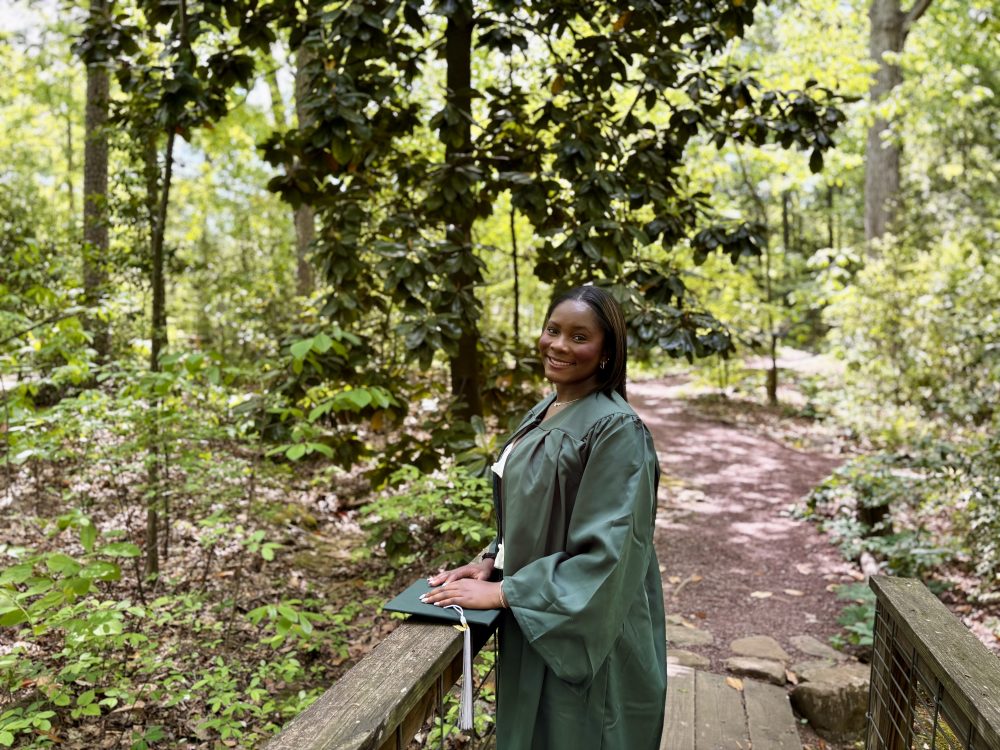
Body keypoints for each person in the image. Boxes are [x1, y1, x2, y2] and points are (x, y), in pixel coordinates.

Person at [421, 285, 667, 750]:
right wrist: (494, 558)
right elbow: (539, 508)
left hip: (589, 633)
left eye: (579, 337)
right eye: (553, 330)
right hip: (539, 617)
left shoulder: (616, 430)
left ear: (607, 352)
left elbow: (608, 554)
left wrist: (504, 591)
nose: (557, 345)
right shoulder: (548, 408)